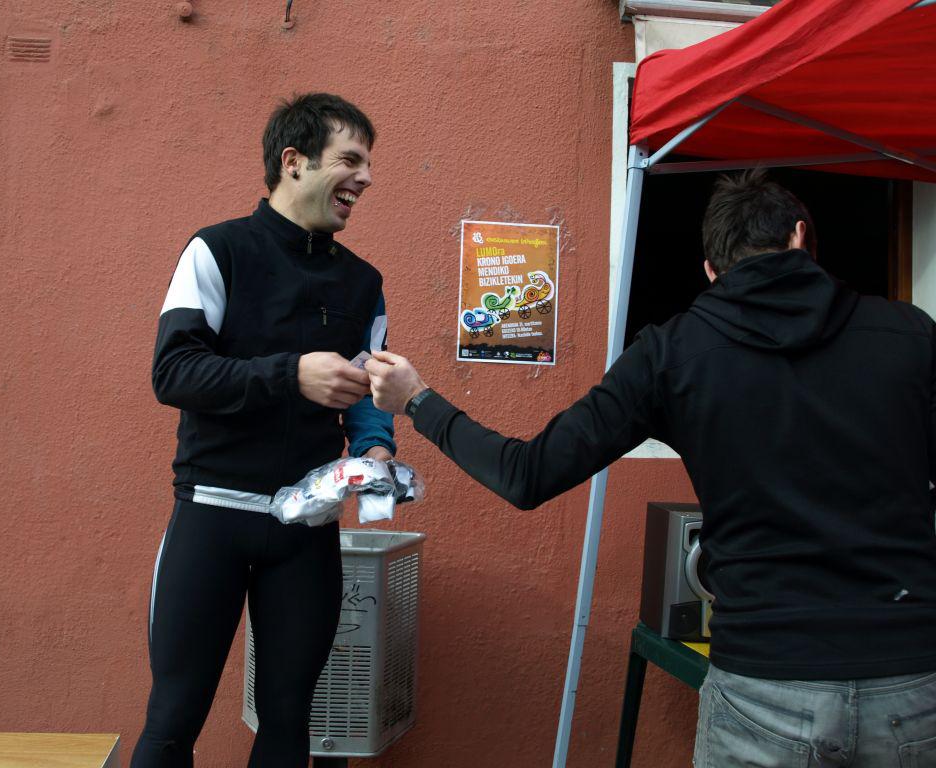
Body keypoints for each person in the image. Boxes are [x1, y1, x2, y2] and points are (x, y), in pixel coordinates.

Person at [366, 170, 936, 766]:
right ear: (799, 237)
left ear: (711, 270)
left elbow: (526, 474)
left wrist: (418, 401)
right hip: (912, 680)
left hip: (764, 684)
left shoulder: (671, 353)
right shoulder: (912, 333)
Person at [134, 93, 396, 768]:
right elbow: (174, 372)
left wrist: (375, 447)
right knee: (173, 719)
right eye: (351, 160)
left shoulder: (364, 283)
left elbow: (367, 393)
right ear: (294, 161)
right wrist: (291, 374)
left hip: (305, 532)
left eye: (368, 164)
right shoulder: (217, 250)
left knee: (288, 722)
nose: (366, 178)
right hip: (211, 519)